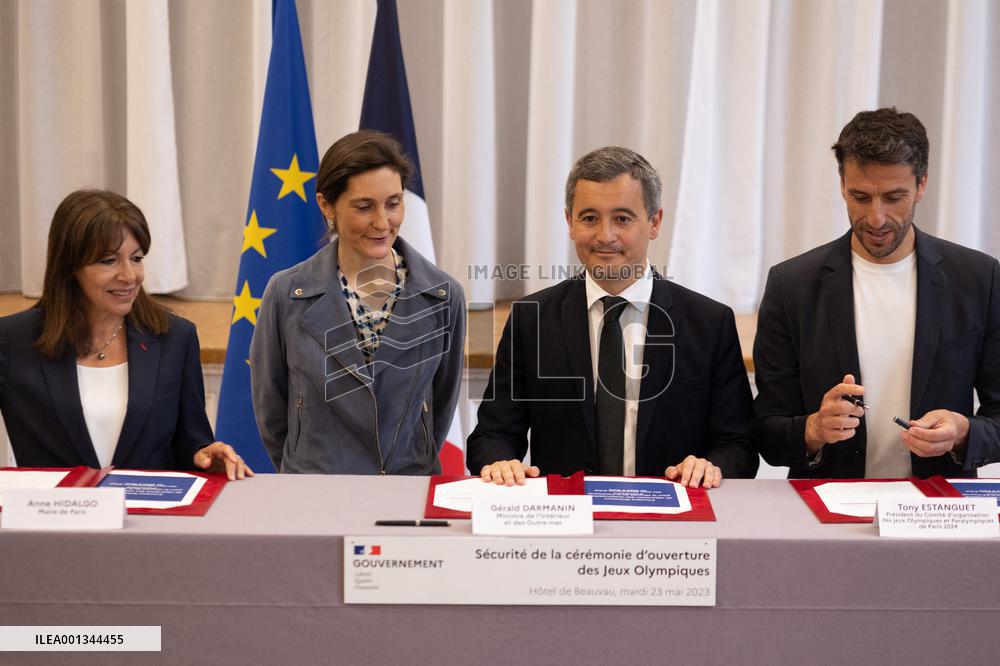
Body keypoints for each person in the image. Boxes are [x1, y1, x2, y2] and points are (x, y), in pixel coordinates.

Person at [466, 146, 758, 487]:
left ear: (654, 222)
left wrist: (711, 466)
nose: (605, 236)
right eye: (589, 218)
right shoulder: (531, 320)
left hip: (673, 525)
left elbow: (739, 446)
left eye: (622, 218)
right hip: (565, 523)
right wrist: (500, 462)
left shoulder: (709, 324)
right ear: (569, 223)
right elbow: (492, 435)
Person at [753, 107, 1000, 478]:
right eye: (861, 197)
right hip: (825, 514)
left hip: (938, 514)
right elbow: (765, 432)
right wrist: (814, 429)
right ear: (841, 184)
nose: (876, 218)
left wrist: (963, 432)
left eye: (894, 197)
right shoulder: (791, 285)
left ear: (922, 185)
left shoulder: (979, 279)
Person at [250, 130, 466, 474]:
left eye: (393, 203)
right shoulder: (286, 293)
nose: (383, 222)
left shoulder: (444, 295)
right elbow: (271, 411)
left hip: (405, 492)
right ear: (326, 205)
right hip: (315, 493)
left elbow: (440, 407)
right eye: (364, 207)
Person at [0, 189, 251, 480]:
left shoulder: (175, 338)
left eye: (136, 258)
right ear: (70, 267)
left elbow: (190, 444)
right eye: (108, 261)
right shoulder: (12, 340)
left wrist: (205, 455)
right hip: (51, 519)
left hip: (149, 520)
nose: (129, 276)